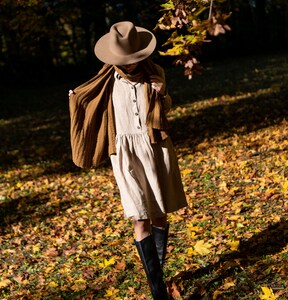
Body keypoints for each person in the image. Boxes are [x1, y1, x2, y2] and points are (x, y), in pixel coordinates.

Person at [69, 21, 187, 300]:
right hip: (125, 152)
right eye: (125, 60)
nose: (131, 64)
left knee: (159, 215)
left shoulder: (155, 72)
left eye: (135, 58)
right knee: (140, 217)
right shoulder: (107, 81)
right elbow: (88, 103)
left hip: (157, 147)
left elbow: (166, 109)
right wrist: (75, 100)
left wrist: (163, 93)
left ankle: (158, 280)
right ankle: (158, 291)